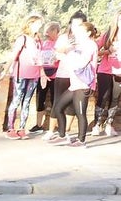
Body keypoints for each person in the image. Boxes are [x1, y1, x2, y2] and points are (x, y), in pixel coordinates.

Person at [45, 14, 97, 147]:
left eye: (80, 31)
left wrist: (65, 57)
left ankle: (81, 140)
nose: (77, 33)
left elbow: (81, 63)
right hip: (74, 84)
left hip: (83, 84)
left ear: (88, 33)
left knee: (80, 113)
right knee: (58, 107)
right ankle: (62, 135)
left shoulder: (90, 45)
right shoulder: (78, 45)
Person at [0, 15, 44, 139]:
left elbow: (40, 58)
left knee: (27, 102)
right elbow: (13, 56)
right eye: (38, 24)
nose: (39, 26)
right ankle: (10, 128)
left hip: (34, 75)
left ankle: (22, 128)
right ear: (30, 24)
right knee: (16, 100)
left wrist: (42, 73)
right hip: (21, 73)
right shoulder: (22, 39)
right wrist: (4, 72)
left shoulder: (38, 40)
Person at [92, 11, 120, 137]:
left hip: (119, 73)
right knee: (103, 98)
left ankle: (109, 124)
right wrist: (108, 51)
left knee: (115, 98)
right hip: (105, 70)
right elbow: (94, 49)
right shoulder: (108, 34)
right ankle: (97, 125)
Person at [33, 21, 61, 132]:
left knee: (56, 100)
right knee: (40, 100)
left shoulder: (60, 43)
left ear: (56, 31)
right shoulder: (43, 44)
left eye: (50, 31)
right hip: (43, 74)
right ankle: (38, 124)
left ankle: (57, 125)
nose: (47, 33)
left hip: (56, 75)